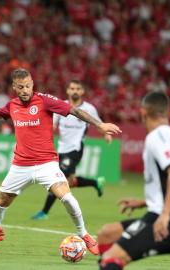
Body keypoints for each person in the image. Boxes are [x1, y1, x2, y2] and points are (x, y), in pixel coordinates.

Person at [0, 68, 121, 256]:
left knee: (67, 198)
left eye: (27, 86)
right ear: (14, 87)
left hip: (46, 164)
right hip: (20, 166)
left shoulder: (44, 100)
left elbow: (73, 110)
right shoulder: (12, 105)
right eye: (20, 87)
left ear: (32, 84)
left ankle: (84, 235)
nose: (24, 90)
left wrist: (100, 125)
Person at [96, 91, 170, 270]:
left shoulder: (158, 136)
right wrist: (145, 202)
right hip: (169, 216)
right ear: (169, 113)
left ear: (142, 112)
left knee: (110, 260)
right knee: (107, 234)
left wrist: (165, 215)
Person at [31, 79, 111, 220]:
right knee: (70, 181)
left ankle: (44, 212)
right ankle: (95, 182)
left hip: (75, 149)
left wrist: (106, 134)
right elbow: (53, 126)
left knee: (56, 180)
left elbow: (99, 123)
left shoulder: (89, 108)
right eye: (72, 88)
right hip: (61, 149)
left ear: (82, 91)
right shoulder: (60, 106)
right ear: (68, 90)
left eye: (77, 88)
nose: (75, 91)